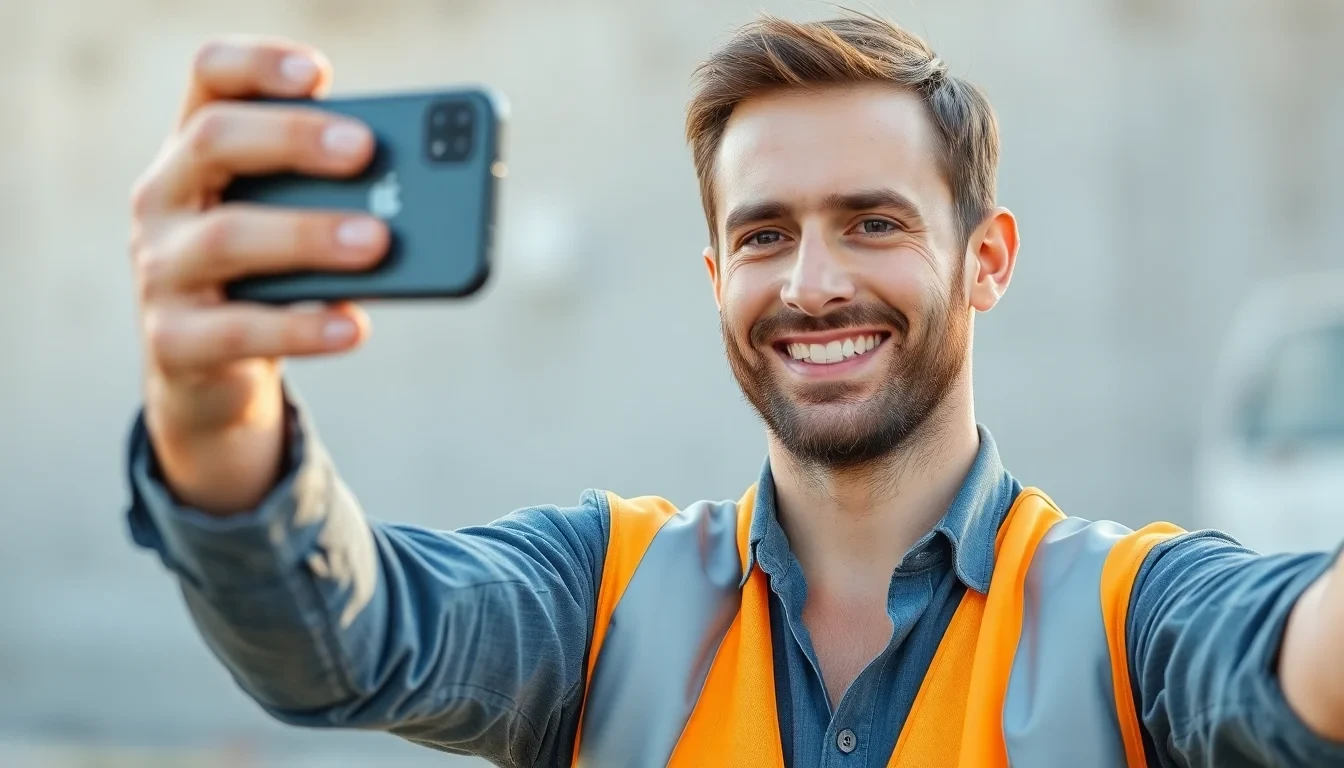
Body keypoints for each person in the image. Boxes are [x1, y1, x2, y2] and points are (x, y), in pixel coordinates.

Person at [123, 11, 1344, 768]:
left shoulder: (1132, 617)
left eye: (873, 222)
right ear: (717, 278)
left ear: (988, 259)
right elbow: (348, 641)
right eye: (764, 235)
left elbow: (1307, 668)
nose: (812, 284)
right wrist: (214, 415)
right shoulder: (597, 596)